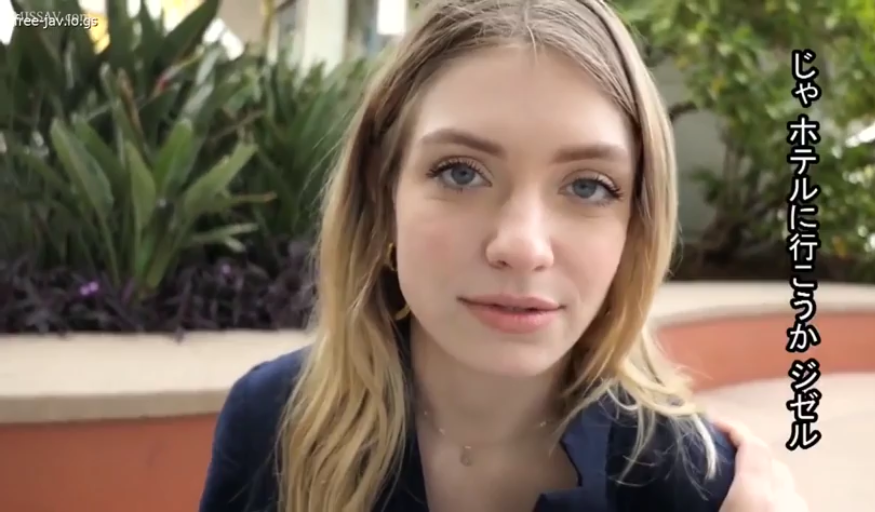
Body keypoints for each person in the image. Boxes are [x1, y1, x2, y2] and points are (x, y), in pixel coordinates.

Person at [199, 0, 809, 511]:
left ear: (636, 227)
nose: (522, 246)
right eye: (461, 173)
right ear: (383, 194)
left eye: (588, 186)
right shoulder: (273, 421)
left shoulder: (693, 482)